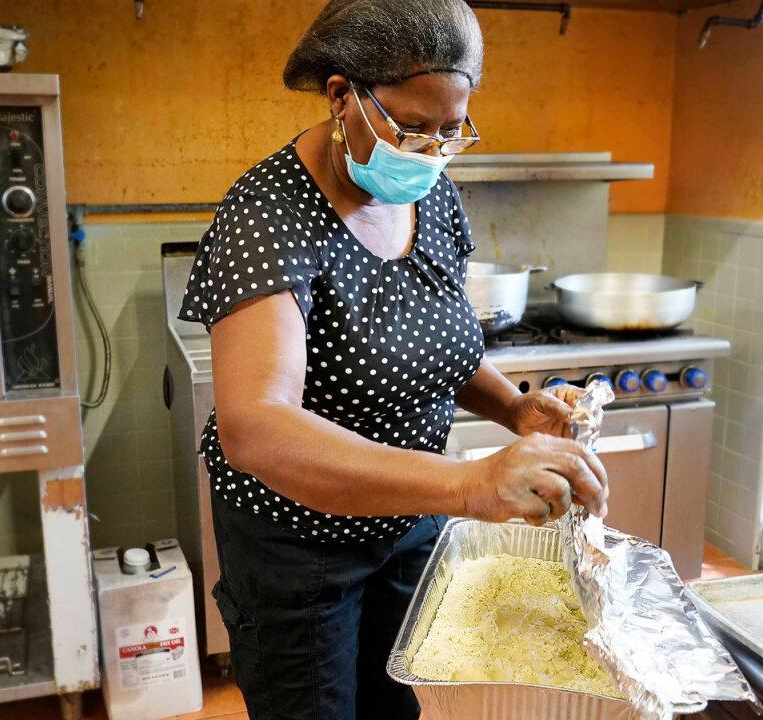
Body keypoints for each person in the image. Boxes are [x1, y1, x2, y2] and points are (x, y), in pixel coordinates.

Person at [178, 1, 608, 717]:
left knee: (396, 709)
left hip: (407, 527)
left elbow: (429, 340)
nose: (431, 150)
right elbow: (256, 428)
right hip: (301, 552)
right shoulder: (267, 215)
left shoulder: (433, 194)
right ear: (342, 95)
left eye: (450, 130)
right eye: (410, 127)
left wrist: (512, 406)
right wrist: (468, 484)